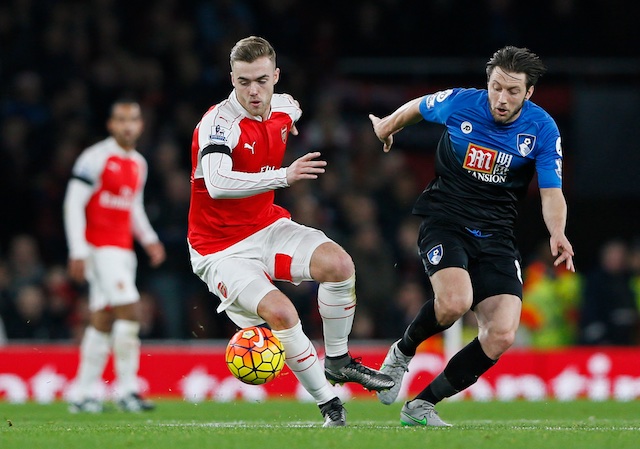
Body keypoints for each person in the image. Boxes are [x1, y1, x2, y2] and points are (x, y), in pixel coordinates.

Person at [187, 36, 393, 427]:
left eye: (262, 80)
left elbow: (291, 107)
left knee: (339, 264)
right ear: (231, 78)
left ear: (275, 76)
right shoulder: (218, 123)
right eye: (243, 81)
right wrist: (284, 175)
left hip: (266, 227)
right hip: (219, 249)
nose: (253, 91)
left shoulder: (282, 106)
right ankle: (329, 404)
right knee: (281, 312)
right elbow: (215, 183)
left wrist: (289, 123)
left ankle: (338, 360)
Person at [369, 46, 575, 426]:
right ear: (488, 83)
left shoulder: (542, 128)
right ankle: (402, 352)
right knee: (453, 303)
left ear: (528, 93)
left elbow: (551, 191)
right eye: (496, 87)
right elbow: (418, 106)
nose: (501, 98)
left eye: (513, 91)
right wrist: (387, 126)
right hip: (445, 219)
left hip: (496, 233)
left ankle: (421, 407)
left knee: (501, 334)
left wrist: (557, 232)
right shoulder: (462, 103)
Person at [63, 99, 166, 413]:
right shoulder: (94, 157)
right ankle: (127, 390)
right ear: (111, 124)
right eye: (121, 119)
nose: (127, 125)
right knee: (131, 312)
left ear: (141, 125)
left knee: (104, 319)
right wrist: (78, 250)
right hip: (99, 249)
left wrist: (149, 239)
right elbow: (73, 203)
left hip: (123, 251)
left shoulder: (139, 163)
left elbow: (132, 207)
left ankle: (80, 394)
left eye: (133, 119)